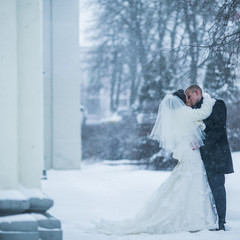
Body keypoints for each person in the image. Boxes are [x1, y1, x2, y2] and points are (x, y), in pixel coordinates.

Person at [93, 89, 218, 235]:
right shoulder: (183, 112)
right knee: (191, 179)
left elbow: (194, 124)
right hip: (189, 151)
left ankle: (192, 216)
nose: (189, 100)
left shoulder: (176, 114)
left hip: (187, 149)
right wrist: (208, 99)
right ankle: (193, 217)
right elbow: (202, 114)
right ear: (181, 101)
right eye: (187, 98)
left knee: (187, 180)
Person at [186, 85, 234, 231]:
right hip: (200, 158)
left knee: (217, 188)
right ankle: (207, 220)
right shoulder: (194, 111)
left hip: (217, 156)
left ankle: (221, 222)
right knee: (202, 191)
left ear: (197, 92)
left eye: (189, 97)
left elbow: (219, 129)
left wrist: (200, 143)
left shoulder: (217, 104)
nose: (188, 101)